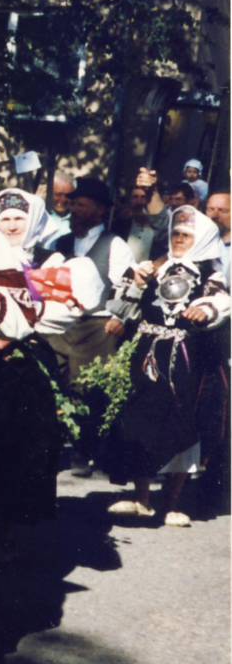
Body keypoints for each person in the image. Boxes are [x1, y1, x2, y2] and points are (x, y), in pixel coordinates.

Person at [0, 189, 104, 537]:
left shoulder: (51, 261)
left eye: (19, 218)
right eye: (4, 219)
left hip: (27, 358)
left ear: (33, 220)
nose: (12, 225)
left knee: (25, 439)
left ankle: (14, 525)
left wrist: (20, 319)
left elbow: (57, 314)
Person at [100, 206, 228, 525]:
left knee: (183, 422)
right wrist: (136, 282)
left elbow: (219, 302)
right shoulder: (156, 266)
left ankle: (172, 503)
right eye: (176, 234)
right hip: (148, 352)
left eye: (187, 235)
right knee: (141, 419)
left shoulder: (211, 273)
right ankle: (142, 498)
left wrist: (206, 311)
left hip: (189, 357)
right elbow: (121, 303)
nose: (180, 240)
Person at [46, 176, 135, 387]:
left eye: (81, 205)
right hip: (60, 328)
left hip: (96, 330)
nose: (74, 210)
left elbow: (127, 284)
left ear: (100, 210)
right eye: (73, 204)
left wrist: (118, 318)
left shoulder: (115, 244)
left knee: (86, 390)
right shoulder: (62, 242)